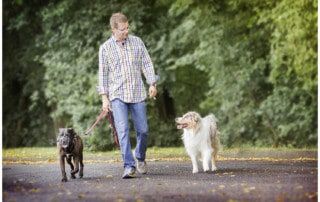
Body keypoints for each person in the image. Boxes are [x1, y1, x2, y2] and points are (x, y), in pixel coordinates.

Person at [98, 13, 158, 179]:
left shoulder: (137, 42)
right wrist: (104, 97)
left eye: (127, 28)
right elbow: (103, 75)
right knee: (123, 130)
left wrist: (152, 83)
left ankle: (140, 157)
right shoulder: (105, 48)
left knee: (143, 130)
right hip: (117, 96)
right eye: (123, 29)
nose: (126, 31)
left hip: (137, 93)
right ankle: (129, 166)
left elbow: (146, 63)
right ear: (114, 29)